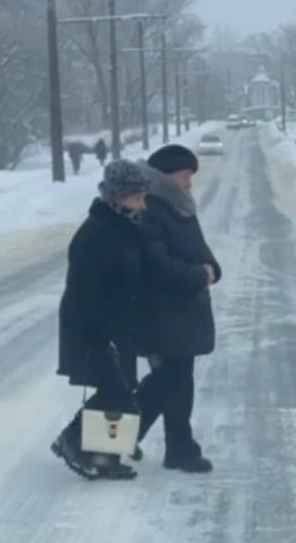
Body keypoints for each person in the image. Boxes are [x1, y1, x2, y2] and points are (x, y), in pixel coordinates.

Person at [52, 159, 149, 481]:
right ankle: (72, 439)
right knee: (115, 391)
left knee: (120, 390)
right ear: (117, 197)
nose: (142, 204)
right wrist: (97, 334)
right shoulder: (98, 232)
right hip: (95, 328)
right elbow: (83, 289)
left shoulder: (124, 227)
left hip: (118, 326)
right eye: (137, 197)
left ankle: (104, 456)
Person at [135, 144, 222, 473]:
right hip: (162, 311)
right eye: (185, 177)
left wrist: (212, 267)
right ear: (168, 176)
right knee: (173, 383)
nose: (190, 183)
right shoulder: (153, 208)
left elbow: (196, 248)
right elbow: (155, 265)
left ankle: (128, 438)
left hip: (181, 311)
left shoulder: (177, 205)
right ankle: (179, 449)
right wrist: (198, 274)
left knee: (172, 382)